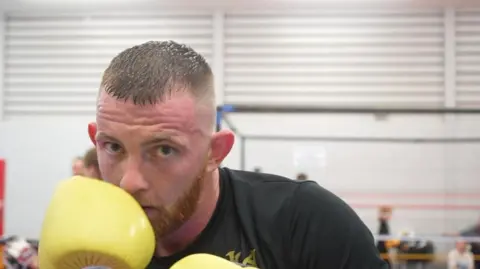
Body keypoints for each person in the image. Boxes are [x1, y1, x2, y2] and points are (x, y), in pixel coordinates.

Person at [87, 40, 387, 269]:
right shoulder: (86, 246)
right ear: (95, 140)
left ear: (214, 152)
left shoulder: (305, 222)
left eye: (164, 150)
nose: (130, 182)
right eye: (113, 147)